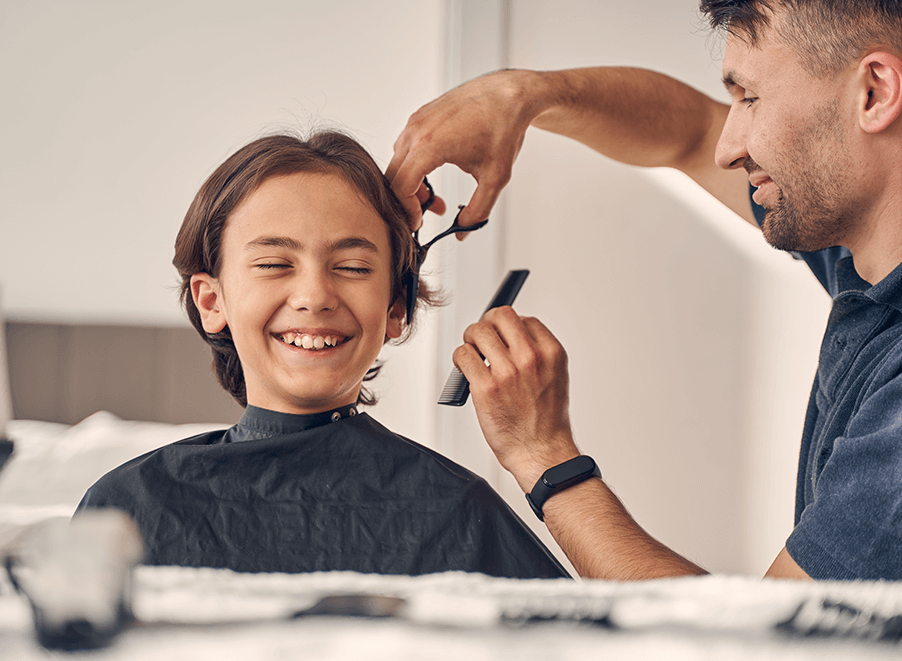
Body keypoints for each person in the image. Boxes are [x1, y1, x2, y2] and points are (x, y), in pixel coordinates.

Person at [387, 0, 902, 581]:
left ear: (874, 92)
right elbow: (685, 132)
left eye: (750, 98)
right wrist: (522, 96)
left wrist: (543, 455)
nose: (727, 149)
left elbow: (762, 645)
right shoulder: (863, 253)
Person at [75, 131, 568, 579]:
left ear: (396, 307)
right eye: (273, 263)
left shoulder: (458, 510)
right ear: (211, 301)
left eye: (352, 267)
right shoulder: (125, 508)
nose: (315, 295)